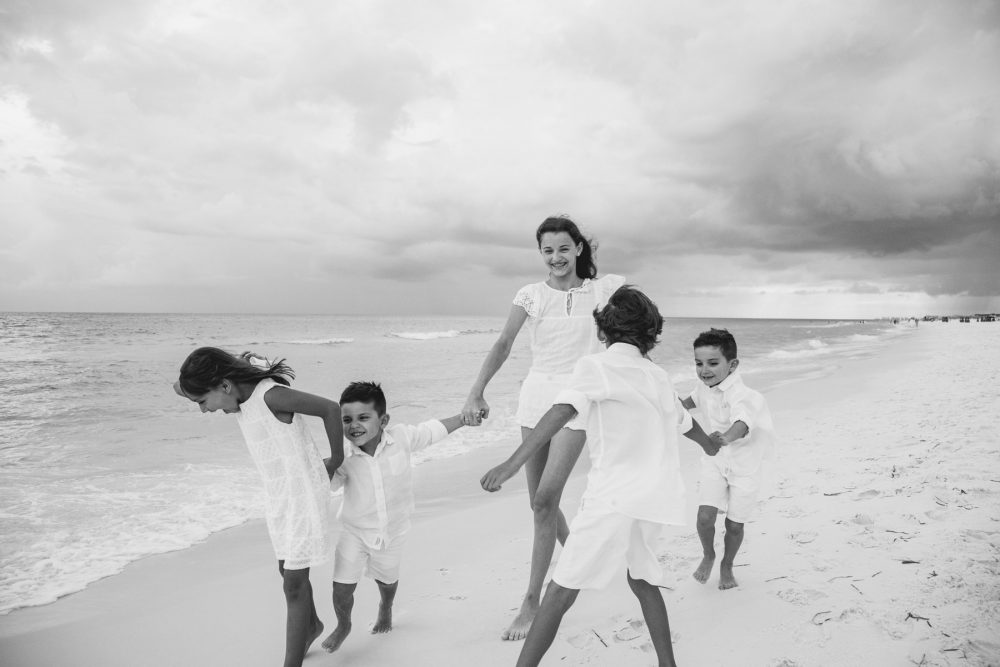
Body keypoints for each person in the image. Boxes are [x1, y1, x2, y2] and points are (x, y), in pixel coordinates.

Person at [481, 285, 723, 667]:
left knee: (560, 591)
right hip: (654, 498)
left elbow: (562, 410)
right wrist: (709, 445)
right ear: (651, 335)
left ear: (602, 331)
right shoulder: (657, 375)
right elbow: (684, 421)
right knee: (642, 579)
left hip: (613, 498)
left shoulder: (595, 366)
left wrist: (512, 464)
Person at [462, 215, 625, 640]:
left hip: (579, 399)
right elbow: (504, 343)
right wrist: (477, 391)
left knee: (546, 498)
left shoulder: (603, 291)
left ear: (578, 249)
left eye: (564, 248)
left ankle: (532, 599)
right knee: (539, 504)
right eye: (548, 250)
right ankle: (577, 556)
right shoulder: (530, 295)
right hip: (536, 397)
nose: (556, 257)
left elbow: (637, 326)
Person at [173, 347, 343, 667]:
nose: (204, 410)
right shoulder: (237, 397)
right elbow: (181, 387)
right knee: (285, 569)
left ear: (225, 386)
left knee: (293, 583)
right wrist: (192, 382)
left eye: (202, 402)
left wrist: (335, 460)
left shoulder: (271, 397)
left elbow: (330, 409)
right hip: (279, 495)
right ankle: (311, 626)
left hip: (303, 494)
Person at [321, 381, 467, 654]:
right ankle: (343, 624)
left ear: (384, 420)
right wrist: (325, 467)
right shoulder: (344, 457)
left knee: (387, 579)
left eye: (363, 417)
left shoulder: (401, 438)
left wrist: (463, 418)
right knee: (341, 586)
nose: (354, 425)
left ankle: (385, 606)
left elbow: (431, 431)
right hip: (354, 531)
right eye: (347, 420)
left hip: (393, 530)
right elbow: (327, 484)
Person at [680, 328, 775, 590]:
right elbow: (687, 403)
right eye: (698, 363)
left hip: (744, 464)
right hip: (715, 460)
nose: (704, 370)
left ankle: (727, 564)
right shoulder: (703, 387)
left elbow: (742, 423)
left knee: (734, 524)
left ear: (732, 365)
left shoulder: (742, 395)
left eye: (712, 363)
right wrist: (671, 403)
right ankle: (709, 554)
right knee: (704, 518)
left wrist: (726, 437)